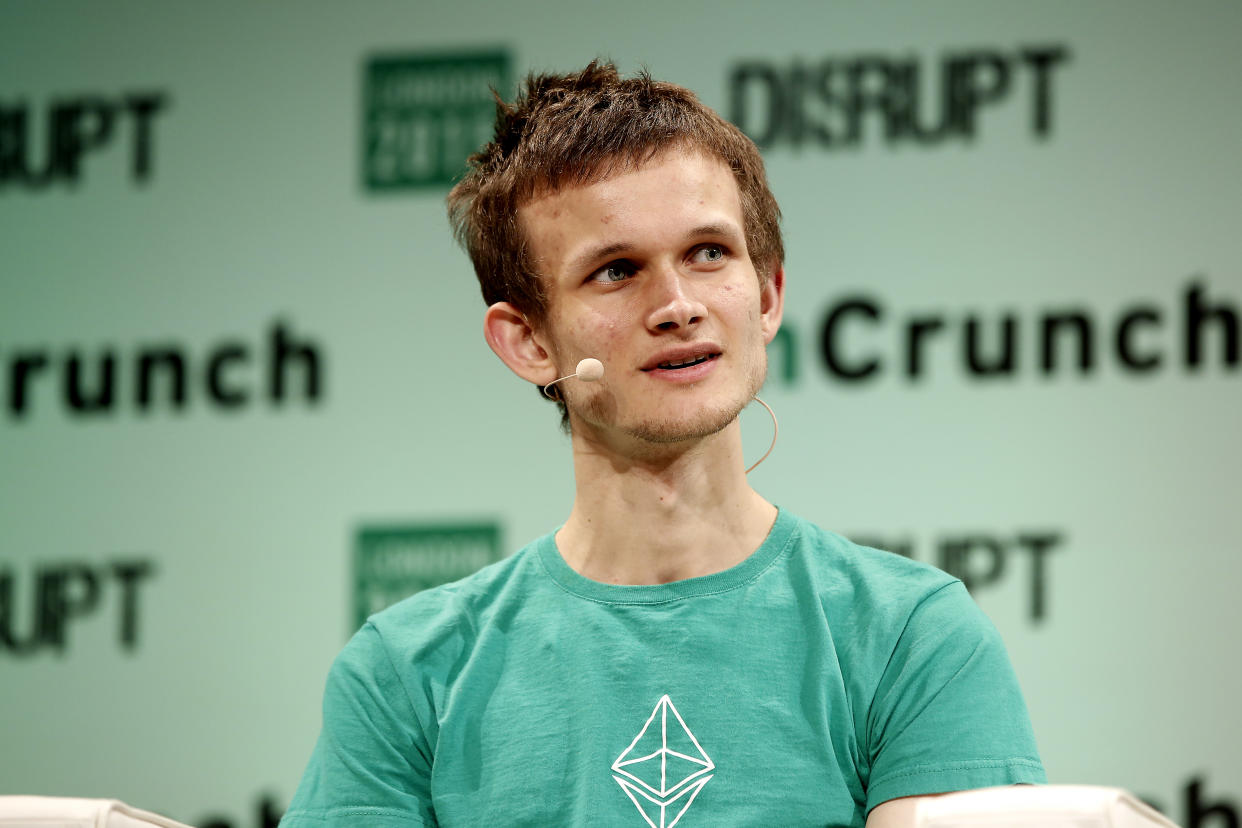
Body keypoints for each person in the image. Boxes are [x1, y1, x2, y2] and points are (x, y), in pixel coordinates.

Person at [281, 61, 1044, 828]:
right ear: (528, 342)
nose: (678, 306)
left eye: (709, 253)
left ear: (769, 294)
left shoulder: (912, 635)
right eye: (616, 271)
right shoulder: (407, 673)